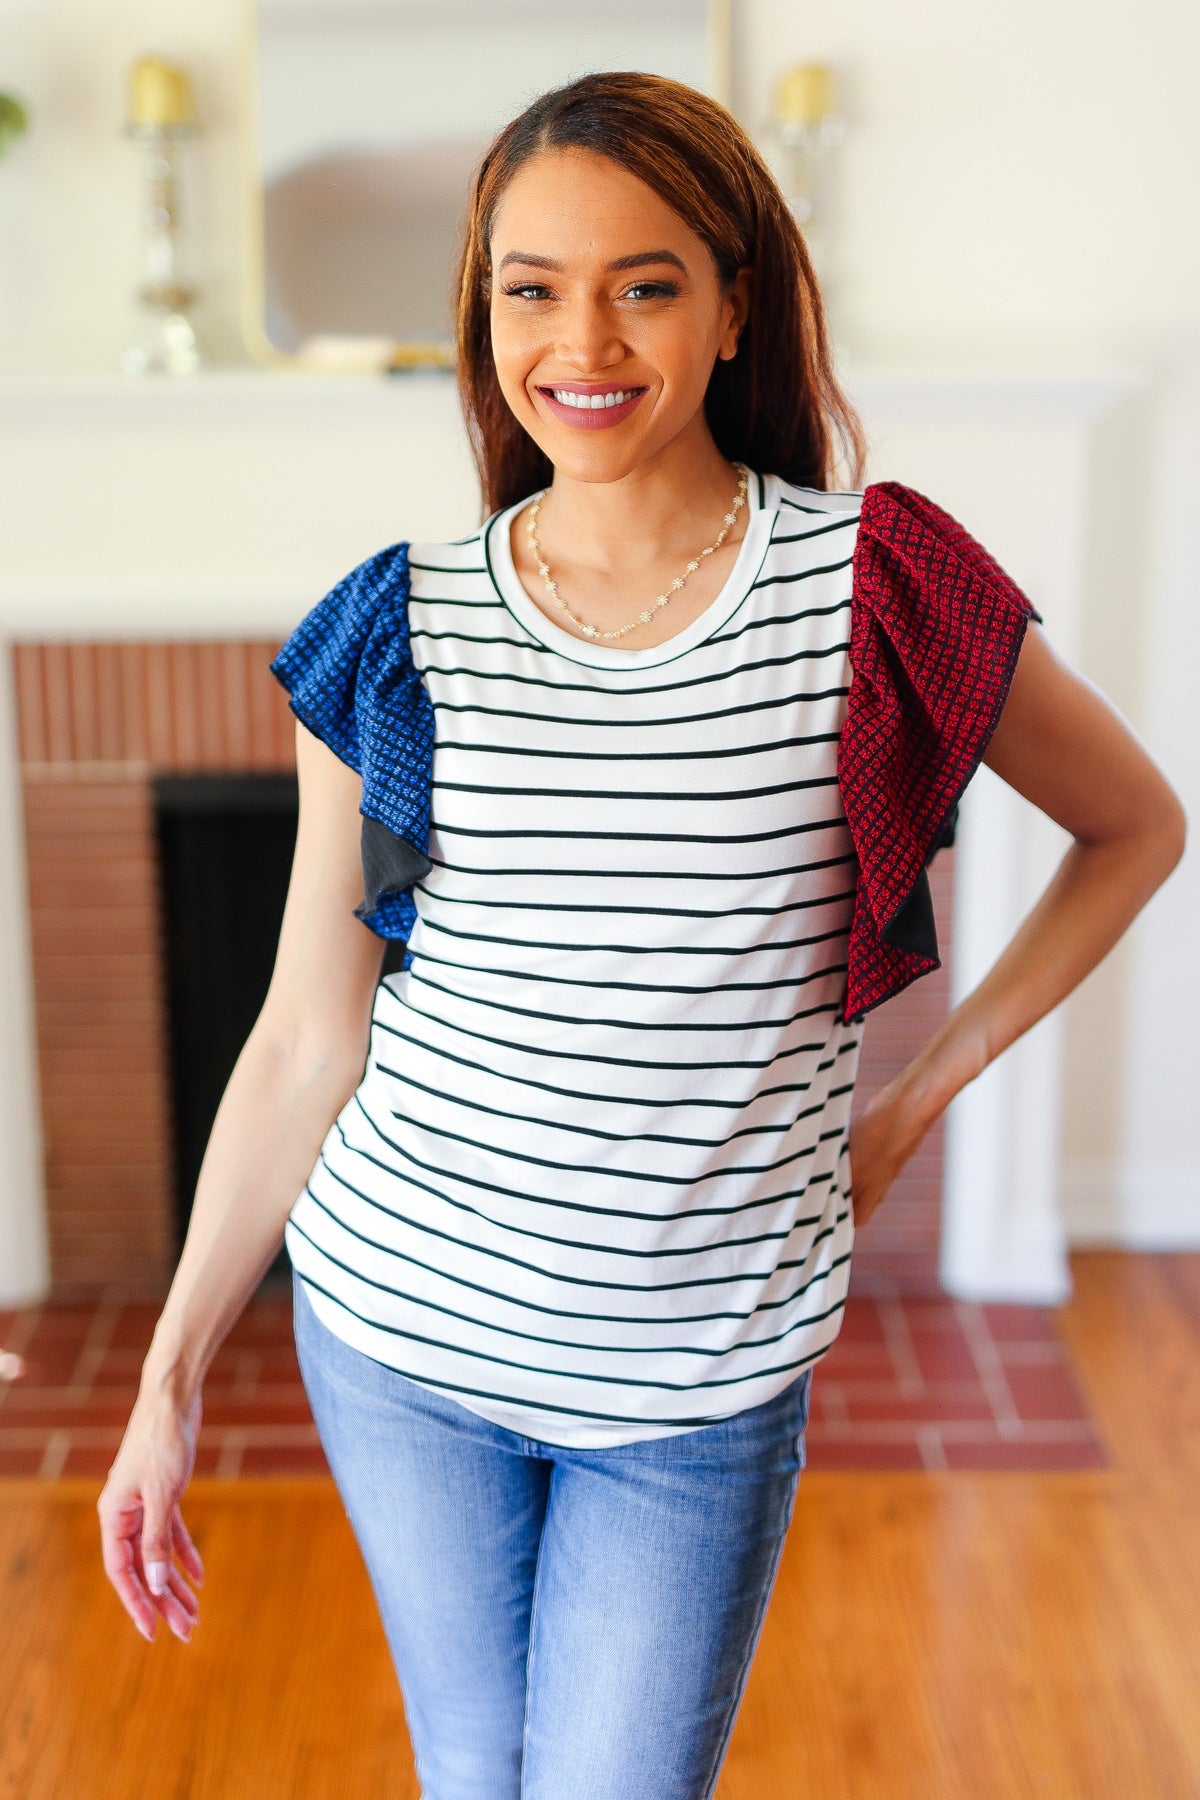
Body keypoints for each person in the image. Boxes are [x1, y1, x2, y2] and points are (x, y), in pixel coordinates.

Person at [98, 70, 1186, 1800]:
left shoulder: (878, 589)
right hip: (398, 1332)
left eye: (645, 282)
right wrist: (163, 1379)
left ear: (737, 296)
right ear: (482, 312)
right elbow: (311, 1038)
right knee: (473, 1773)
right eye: (529, 287)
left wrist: (906, 1114)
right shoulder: (398, 627)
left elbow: (1139, 829)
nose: (580, 341)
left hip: (698, 1378)